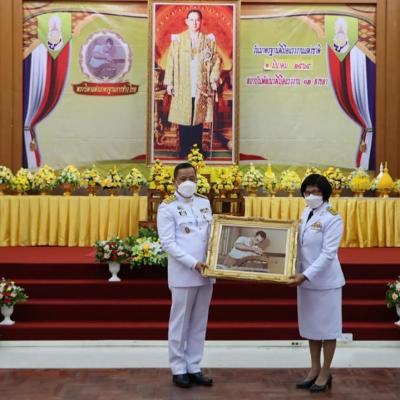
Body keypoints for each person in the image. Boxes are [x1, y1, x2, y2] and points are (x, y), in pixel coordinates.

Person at [157, 162, 214, 389]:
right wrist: (193, 263)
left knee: (199, 322)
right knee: (180, 322)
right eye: (183, 179)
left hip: (207, 271)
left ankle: (194, 366)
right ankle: (178, 368)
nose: (188, 182)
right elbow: (168, 243)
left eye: (192, 178)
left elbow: (212, 234)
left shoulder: (204, 202)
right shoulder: (167, 207)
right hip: (184, 272)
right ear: (175, 182)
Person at [288, 174, 345, 393]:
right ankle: (314, 368)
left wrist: (306, 275)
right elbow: (299, 244)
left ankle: (325, 372)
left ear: (325, 193)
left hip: (325, 282)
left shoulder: (333, 217)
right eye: (307, 192)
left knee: (327, 329)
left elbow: (328, 253)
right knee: (312, 328)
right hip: (305, 281)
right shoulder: (306, 212)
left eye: (316, 192)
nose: (311, 196)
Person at [164, 9, 221, 158]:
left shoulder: (208, 41)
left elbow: (216, 60)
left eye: (197, 20)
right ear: (186, 21)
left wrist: (213, 79)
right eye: (191, 19)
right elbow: (170, 61)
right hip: (183, 83)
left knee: (198, 117)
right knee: (184, 116)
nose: (194, 23)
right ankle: (184, 149)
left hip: (200, 84)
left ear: (201, 22)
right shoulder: (178, 40)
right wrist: (169, 83)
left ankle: (197, 149)